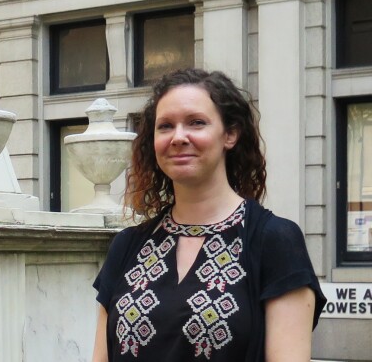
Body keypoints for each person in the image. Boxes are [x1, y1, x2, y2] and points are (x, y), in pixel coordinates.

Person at [92, 68, 325, 361]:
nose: (178, 137)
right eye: (165, 126)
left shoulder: (274, 240)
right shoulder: (127, 245)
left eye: (196, 122)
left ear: (230, 134)